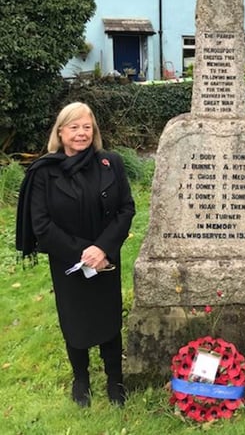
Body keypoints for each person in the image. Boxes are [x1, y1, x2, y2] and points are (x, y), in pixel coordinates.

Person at [16, 102, 135, 408]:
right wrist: (83, 253)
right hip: (68, 260)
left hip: (106, 258)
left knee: (109, 318)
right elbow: (41, 225)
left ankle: (115, 380)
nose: (81, 133)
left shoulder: (111, 163)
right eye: (74, 127)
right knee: (75, 318)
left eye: (87, 126)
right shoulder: (45, 172)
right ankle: (80, 378)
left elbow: (126, 209)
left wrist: (102, 249)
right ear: (60, 132)